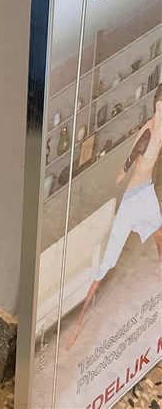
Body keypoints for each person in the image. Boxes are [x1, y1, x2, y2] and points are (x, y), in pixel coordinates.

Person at [65, 82, 162, 352]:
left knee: (158, 230)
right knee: (106, 264)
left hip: (146, 191)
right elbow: (132, 157)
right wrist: (121, 173)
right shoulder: (149, 131)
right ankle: (79, 324)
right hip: (132, 199)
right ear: (157, 106)